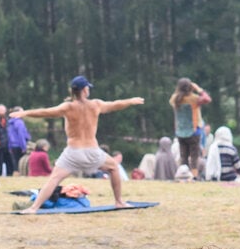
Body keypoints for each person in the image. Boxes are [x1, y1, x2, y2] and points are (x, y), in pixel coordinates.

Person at [10, 76, 143, 214]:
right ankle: (119, 202)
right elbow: (116, 104)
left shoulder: (68, 107)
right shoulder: (95, 104)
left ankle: (33, 208)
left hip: (73, 152)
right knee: (114, 167)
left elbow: (46, 112)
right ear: (85, 90)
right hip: (93, 151)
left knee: (54, 179)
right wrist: (131, 101)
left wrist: (25, 113)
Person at [170, 79, 210, 178]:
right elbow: (207, 99)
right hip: (193, 131)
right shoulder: (194, 98)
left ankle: (183, 175)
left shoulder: (175, 99)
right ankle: (194, 176)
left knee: (183, 156)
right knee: (194, 156)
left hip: (180, 132)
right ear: (190, 87)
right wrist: (198, 89)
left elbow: (175, 97)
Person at [8, 107, 32, 172]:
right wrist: (24, 147)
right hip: (19, 146)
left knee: (15, 163)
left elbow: (9, 136)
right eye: (22, 112)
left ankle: (15, 176)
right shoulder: (19, 122)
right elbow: (21, 136)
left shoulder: (10, 123)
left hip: (13, 146)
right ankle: (20, 176)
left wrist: (9, 147)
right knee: (21, 164)